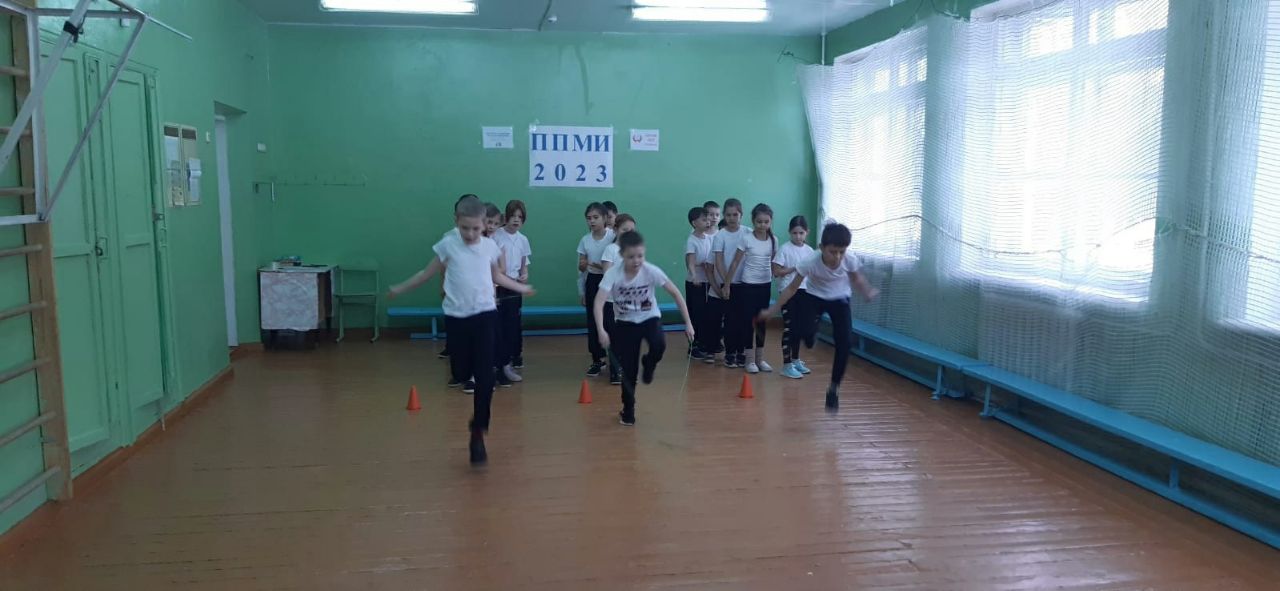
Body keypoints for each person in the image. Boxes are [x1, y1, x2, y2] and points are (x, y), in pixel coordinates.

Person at [389, 196, 535, 464]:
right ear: (456, 222)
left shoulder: (490, 247)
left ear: (485, 225)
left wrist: (520, 287)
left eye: (476, 229)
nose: (470, 234)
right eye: (465, 228)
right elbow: (426, 273)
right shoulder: (448, 244)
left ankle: (478, 430)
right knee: (460, 372)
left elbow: (497, 276)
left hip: (485, 315)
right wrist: (400, 288)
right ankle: (465, 378)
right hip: (457, 317)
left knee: (485, 376)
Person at [759, 223, 877, 411]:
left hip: (840, 300)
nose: (837, 257)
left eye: (841, 252)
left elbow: (857, 278)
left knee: (845, 344)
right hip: (814, 298)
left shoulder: (849, 259)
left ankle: (834, 388)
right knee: (804, 333)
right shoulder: (810, 261)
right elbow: (792, 288)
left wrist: (867, 291)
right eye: (832, 252)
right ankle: (810, 335)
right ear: (822, 248)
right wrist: (773, 310)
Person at [594, 231, 696, 426]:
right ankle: (628, 410)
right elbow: (598, 303)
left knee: (659, 345)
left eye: (640, 256)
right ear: (621, 255)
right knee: (629, 370)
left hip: (649, 318)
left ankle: (649, 363)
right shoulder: (613, 274)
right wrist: (601, 329)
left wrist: (688, 323)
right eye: (631, 257)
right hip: (625, 323)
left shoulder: (651, 271)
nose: (636, 261)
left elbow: (676, 294)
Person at [726, 203, 777, 374]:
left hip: (765, 285)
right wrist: (727, 283)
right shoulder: (746, 238)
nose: (762, 225)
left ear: (770, 222)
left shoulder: (773, 240)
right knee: (748, 321)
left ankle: (759, 359)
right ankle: (749, 360)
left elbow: (774, 263)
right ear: (753, 221)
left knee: (761, 321)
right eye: (759, 222)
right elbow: (735, 262)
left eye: (766, 222)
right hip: (748, 285)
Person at [493, 200, 532, 380]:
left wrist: (524, 275)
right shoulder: (497, 236)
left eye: (520, 217)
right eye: (513, 216)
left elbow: (524, 263)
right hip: (498, 286)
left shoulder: (523, 239)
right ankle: (496, 364)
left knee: (512, 326)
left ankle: (507, 364)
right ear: (506, 217)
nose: (516, 220)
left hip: (514, 287)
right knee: (498, 326)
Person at [773, 215, 815, 379]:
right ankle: (786, 365)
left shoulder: (810, 251)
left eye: (801, 233)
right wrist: (795, 268)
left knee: (799, 328)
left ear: (807, 232)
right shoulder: (784, 249)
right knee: (790, 328)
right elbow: (776, 271)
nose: (798, 236)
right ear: (790, 232)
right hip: (788, 291)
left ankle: (796, 360)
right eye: (794, 233)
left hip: (805, 292)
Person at [598, 214, 637, 385]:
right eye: (624, 230)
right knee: (614, 337)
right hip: (612, 302)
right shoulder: (611, 250)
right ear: (615, 230)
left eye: (632, 230)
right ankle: (615, 371)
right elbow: (608, 275)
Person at [578, 202, 615, 377]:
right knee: (593, 321)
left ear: (605, 218)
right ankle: (597, 359)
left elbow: (616, 263)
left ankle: (615, 359)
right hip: (592, 282)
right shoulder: (585, 240)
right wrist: (582, 291)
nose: (591, 221)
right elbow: (581, 267)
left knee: (611, 320)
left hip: (610, 281)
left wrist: (597, 264)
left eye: (595, 217)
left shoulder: (612, 237)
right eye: (588, 218)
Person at [711, 198, 747, 368]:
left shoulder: (748, 233)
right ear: (724, 216)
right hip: (727, 284)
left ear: (741, 215)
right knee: (730, 321)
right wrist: (727, 283)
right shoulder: (720, 235)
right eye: (728, 215)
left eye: (735, 214)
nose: (732, 218)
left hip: (745, 283)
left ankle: (742, 352)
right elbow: (718, 261)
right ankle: (730, 353)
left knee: (743, 320)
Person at [684, 207, 713, 360]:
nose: (708, 222)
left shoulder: (709, 238)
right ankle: (693, 346)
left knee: (706, 314)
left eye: (708, 219)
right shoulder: (691, 240)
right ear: (694, 223)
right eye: (704, 220)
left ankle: (705, 343)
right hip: (695, 283)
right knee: (696, 314)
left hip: (708, 281)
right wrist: (694, 276)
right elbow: (690, 262)